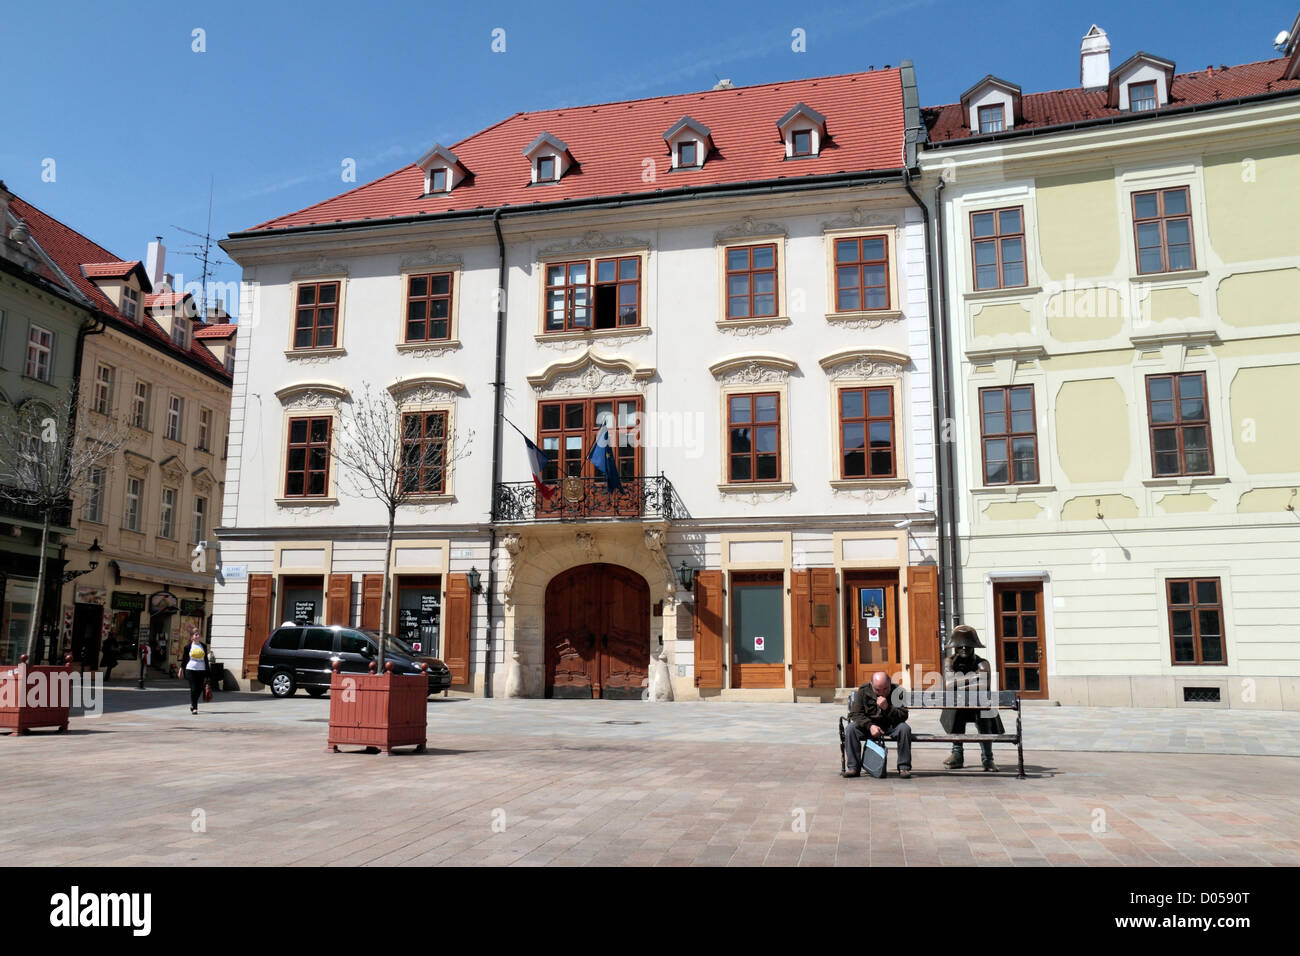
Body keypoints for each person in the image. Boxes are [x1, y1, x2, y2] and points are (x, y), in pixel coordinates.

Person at [941, 625, 1002, 772]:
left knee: (985, 715)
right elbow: (948, 685)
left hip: (979, 705)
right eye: (960, 646)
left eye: (967, 646)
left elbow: (984, 684)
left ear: (974, 646)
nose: (963, 648)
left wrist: (959, 681)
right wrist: (974, 679)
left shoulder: (982, 663)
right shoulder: (949, 662)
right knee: (955, 711)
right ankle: (957, 754)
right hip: (958, 706)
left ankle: (988, 758)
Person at [843, 670, 912, 779]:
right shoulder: (863, 691)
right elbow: (855, 714)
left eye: (885, 689)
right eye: (877, 690)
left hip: (890, 725)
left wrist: (887, 708)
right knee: (851, 729)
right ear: (871, 685)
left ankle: (904, 767)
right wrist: (870, 725)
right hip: (869, 726)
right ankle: (853, 767)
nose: (882, 692)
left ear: (889, 684)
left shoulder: (898, 691)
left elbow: (903, 715)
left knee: (904, 729)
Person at [180, 627, 212, 715]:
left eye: (199, 634)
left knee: (200, 688)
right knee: (194, 688)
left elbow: (205, 659)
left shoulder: (203, 646)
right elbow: (185, 659)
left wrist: (207, 671)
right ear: (192, 637)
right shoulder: (188, 647)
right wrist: (181, 669)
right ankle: (195, 707)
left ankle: (192, 703)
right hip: (190, 669)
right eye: (196, 634)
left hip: (201, 670)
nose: (198, 636)